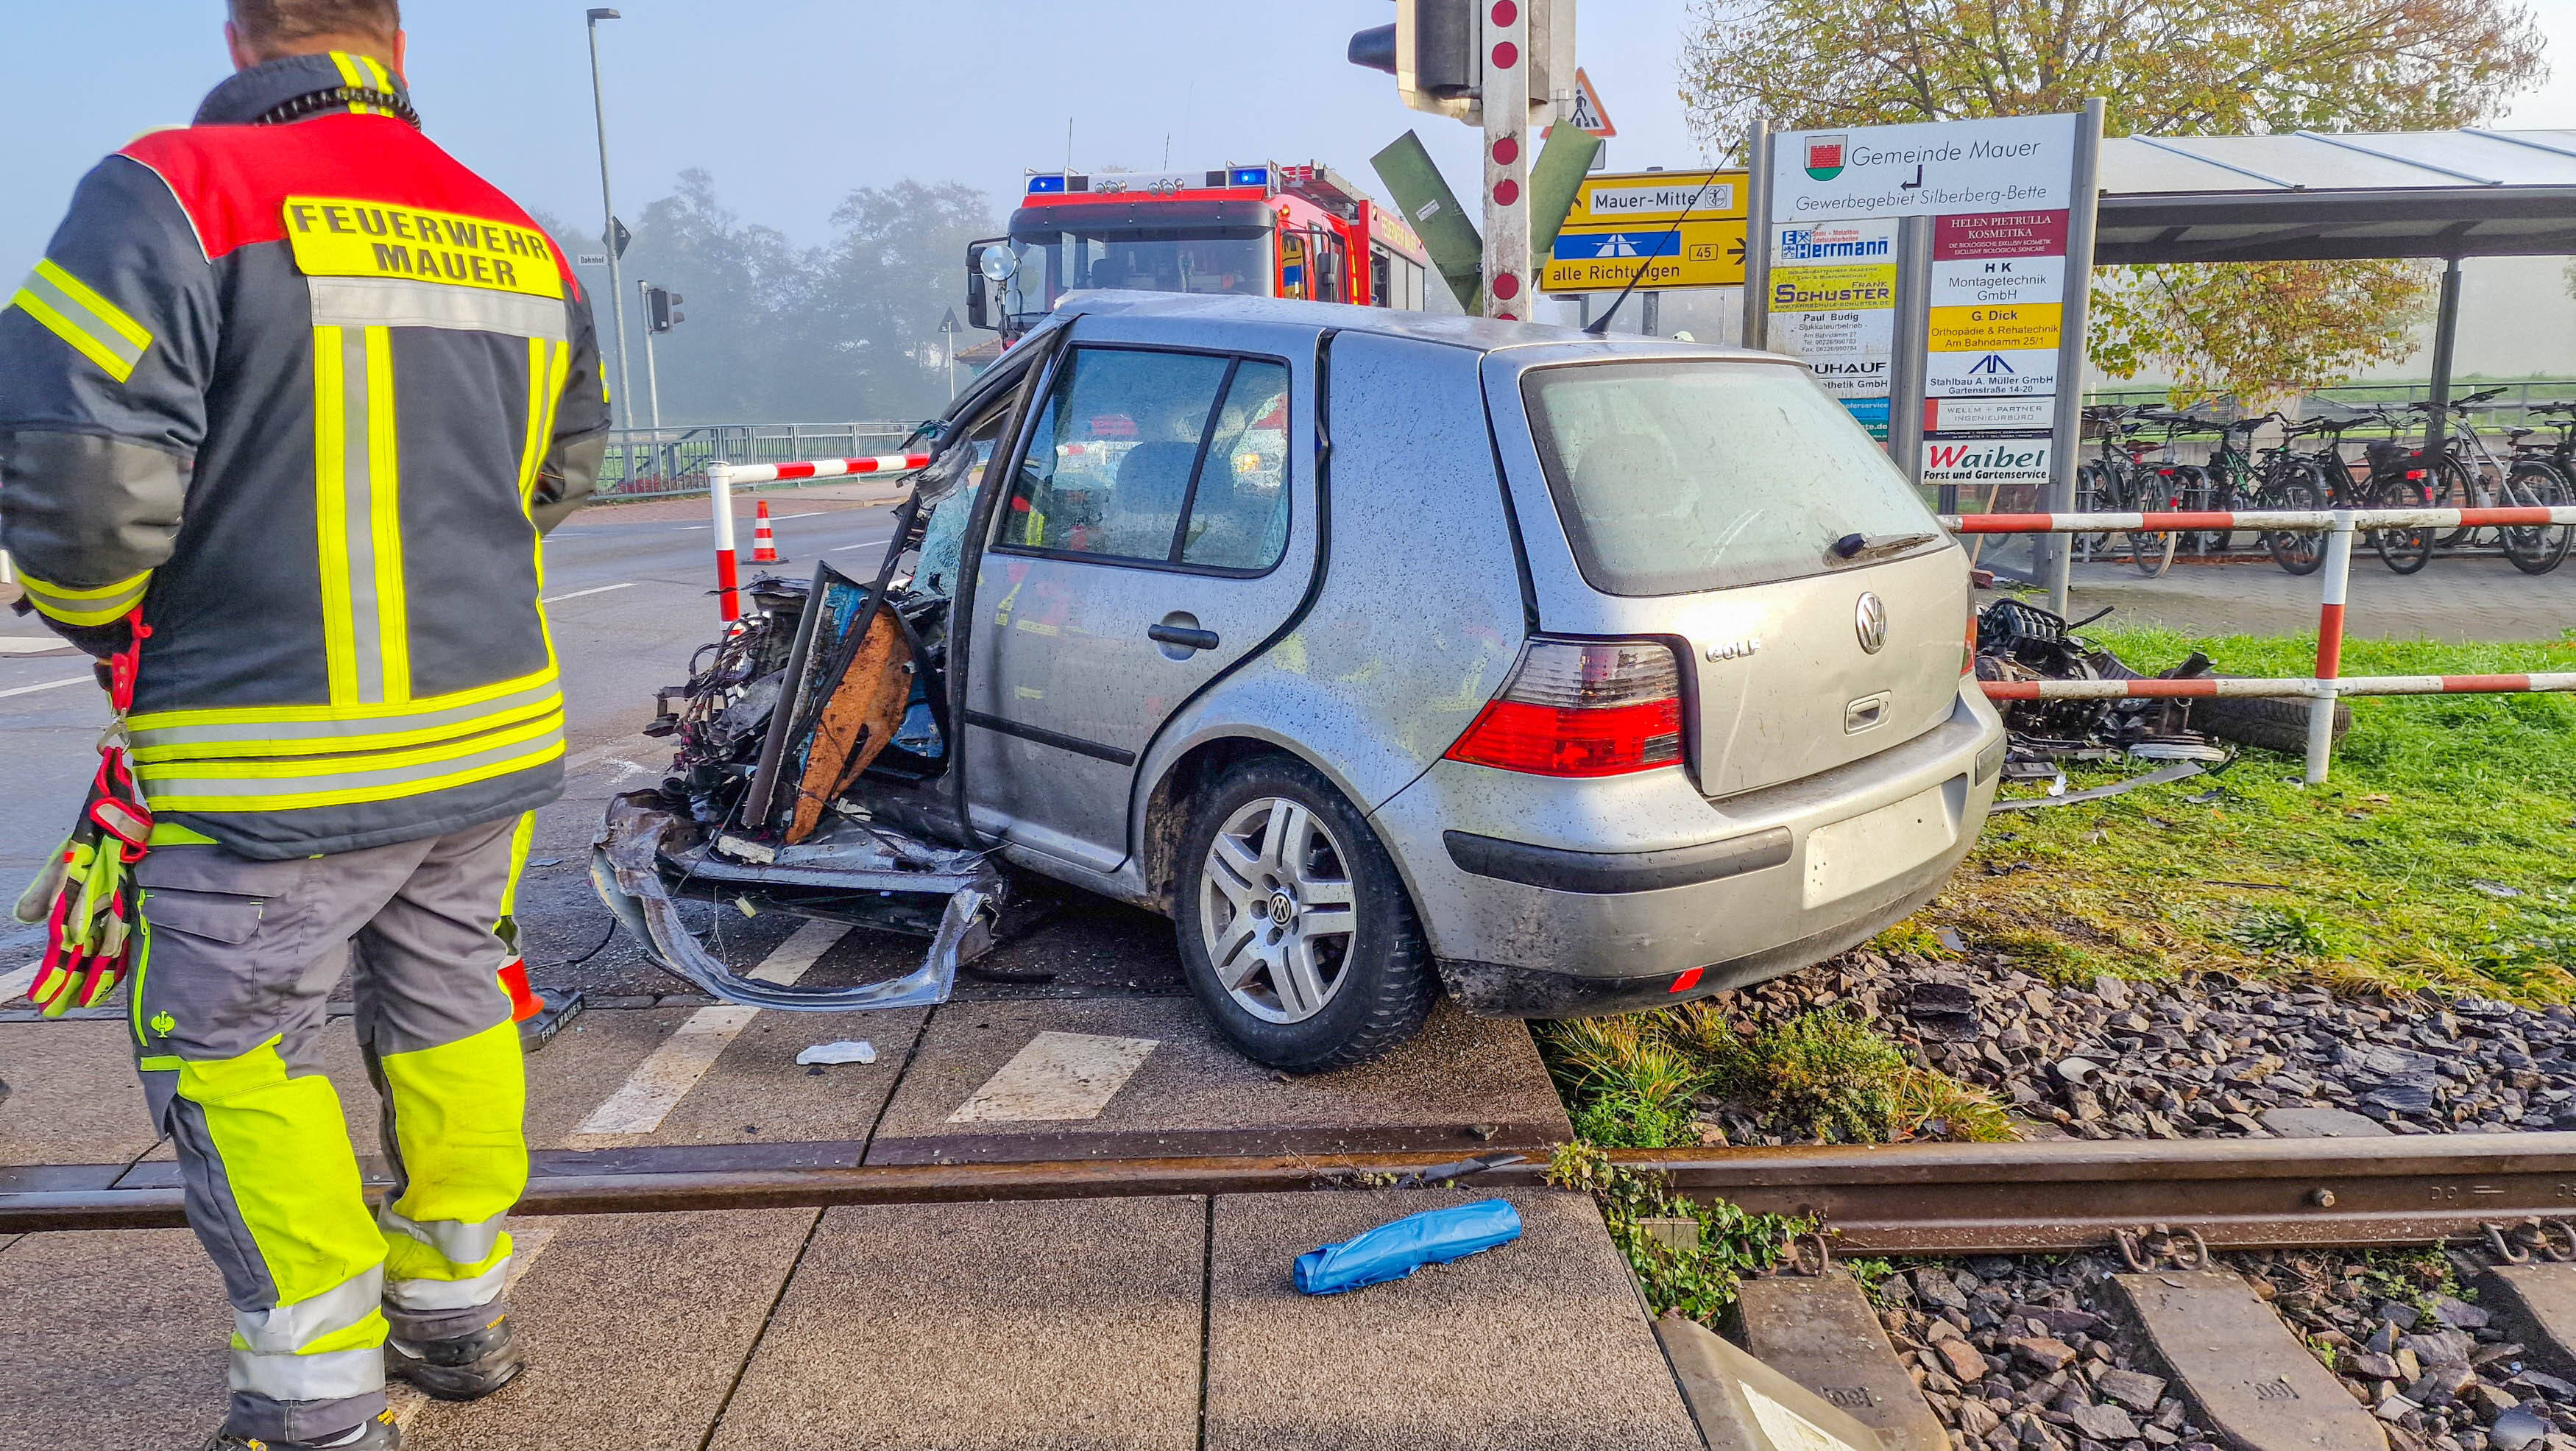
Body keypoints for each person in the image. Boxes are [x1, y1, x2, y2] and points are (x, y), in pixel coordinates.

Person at [0, 2, 608, 1447]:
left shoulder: (166, 195)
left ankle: (313, 1393)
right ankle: (456, 1311)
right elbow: (563, 469)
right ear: (391, 48)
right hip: (482, 739)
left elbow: (79, 490)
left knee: (227, 1047)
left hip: (268, 754)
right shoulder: (512, 231)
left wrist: (115, 631)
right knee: (454, 1002)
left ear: (241, 41)